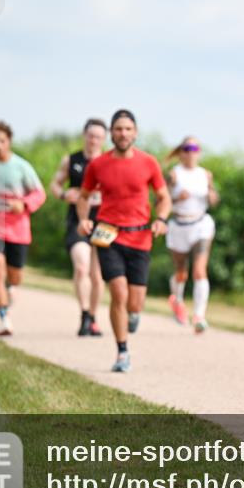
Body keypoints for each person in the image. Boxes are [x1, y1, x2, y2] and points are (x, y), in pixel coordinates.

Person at [77, 109, 171, 373]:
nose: (123, 134)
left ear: (135, 132)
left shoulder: (148, 163)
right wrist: (84, 219)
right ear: (111, 133)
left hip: (140, 236)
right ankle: (122, 352)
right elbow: (83, 197)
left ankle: (133, 314)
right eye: (118, 129)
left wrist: (161, 219)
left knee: (134, 302)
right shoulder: (98, 165)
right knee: (118, 292)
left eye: (128, 129)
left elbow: (164, 197)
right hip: (108, 235)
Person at [0, 119, 46, 337]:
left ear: (9, 141)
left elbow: (39, 194)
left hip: (18, 228)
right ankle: (4, 319)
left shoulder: (22, 167)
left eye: (2, 141)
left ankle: (11, 288)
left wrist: (23, 204)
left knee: (15, 276)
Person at [50, 118, 106, 336]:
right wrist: (64, 194)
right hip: (77, 220)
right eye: (91, 136)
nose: (94, 140)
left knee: (97, 274)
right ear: (85, 136)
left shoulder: (109, 161)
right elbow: (55, 184)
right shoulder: (71, 160)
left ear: (104, 139)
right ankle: (83, 314)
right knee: (82, 266)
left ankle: (93, 317)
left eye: (99, 137)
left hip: (103, 221)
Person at [165, 136, 219, 332]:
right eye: (187, 148)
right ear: (181, 151)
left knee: (199, 270)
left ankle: (199, 316)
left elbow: (214, 199)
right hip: (179, 225)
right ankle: (177, 300)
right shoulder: (173, 175)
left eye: (194, 148)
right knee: (181, 273)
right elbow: (160, 203)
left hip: (200, 224)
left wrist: (212, 196)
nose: (191, 152)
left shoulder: (206, 175)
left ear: (199, 151)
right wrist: (176, 198)